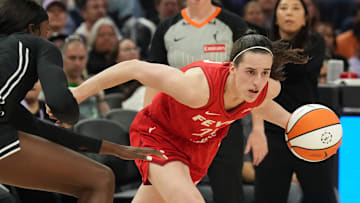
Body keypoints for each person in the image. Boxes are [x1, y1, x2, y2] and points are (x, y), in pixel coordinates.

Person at [68, 30, 308, 203]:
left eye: (265, 72)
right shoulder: (196, 87)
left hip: (198, 148)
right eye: (250, 72)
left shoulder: (264, 88)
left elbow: (259, 105)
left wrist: (292, 125)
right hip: (159, 134)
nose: (257, 81)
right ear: (232, 69)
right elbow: (134, 68)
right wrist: (79, 93)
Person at [0, 1, 166, 203]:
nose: (48, 37)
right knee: (101, 180)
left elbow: (38, 128)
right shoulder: (35, 44)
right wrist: (67, 112)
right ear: (31, 29)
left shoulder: (7, 99)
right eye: (46, 32)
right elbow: (61, 105)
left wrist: (115, 149)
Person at [147, 0, 254, 202]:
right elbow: (152, 78)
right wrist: (149, 130)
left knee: (229, 193)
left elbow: (253, 78)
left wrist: (258, 128)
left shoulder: (234, 25)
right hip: (176, 127)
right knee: (169, 194)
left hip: (223, 125)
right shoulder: (167, 27)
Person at [252, 1, 338, 203]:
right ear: (275, 16)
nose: (289, 13)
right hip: (272, 131)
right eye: (283, 8)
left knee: (322, 196)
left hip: (310, 129)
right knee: (267, 197)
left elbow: (301, 69)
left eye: (295, 8)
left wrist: (269, 62)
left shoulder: (315, 41)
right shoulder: (263, 41)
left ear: (306, 17)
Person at [62, 34, 110, 119]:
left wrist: (100, 98)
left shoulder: (94, 82)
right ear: (62, 58)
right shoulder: (53, 84)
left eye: (81, 58)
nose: (77, 63)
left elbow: (107, 119)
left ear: (87, 59)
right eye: (72, 58)